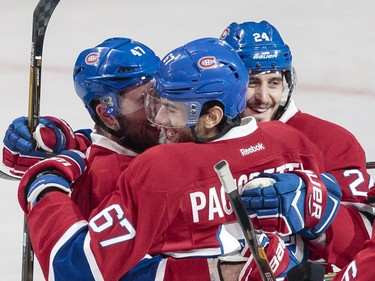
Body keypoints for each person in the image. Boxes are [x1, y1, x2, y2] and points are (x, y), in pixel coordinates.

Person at [17, 37, 342, 280]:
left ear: (212, 116)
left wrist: (44, 184)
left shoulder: (161, 169)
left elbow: (74, 269)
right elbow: (343, 235)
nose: (159, 120)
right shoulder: (290, 141)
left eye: (171, 109)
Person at [5, 37, 244, 281]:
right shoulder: (107, 180)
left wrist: (57, 163)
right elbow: (75, 270)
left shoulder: (174, 147)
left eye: (163, 91)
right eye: (144, 100)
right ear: (108, 116)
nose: (162, 109)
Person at [219, 20, 375, 272]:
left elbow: (363, 246)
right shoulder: (203, 140)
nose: (263, 98)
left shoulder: (331, 141)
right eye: (252, 82)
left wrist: (320, 212)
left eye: (273, 82)